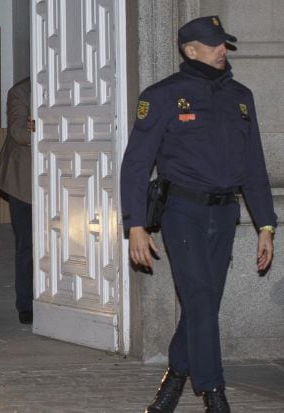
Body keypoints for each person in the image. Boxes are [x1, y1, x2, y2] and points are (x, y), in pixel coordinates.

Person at [120, 16, 275, 412]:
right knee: (202, 300)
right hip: (182, 211)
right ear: (190, 50)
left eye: (223, 42)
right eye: (213, 43)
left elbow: (254, 165)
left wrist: (265, 224)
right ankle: (214, 394)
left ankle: (172, 382)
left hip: (225, 214)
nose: (222, 49)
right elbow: (136, 165)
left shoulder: (241, 96)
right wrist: (135, 225)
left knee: (202, 304)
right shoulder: (162, 96)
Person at [0, 77, 34, 325]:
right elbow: (19, 133)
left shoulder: (68, 88)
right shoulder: (20, 92)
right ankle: (25, 303)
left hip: (58, 180)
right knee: (27, 245)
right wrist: (47, 125)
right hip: (24, 183)